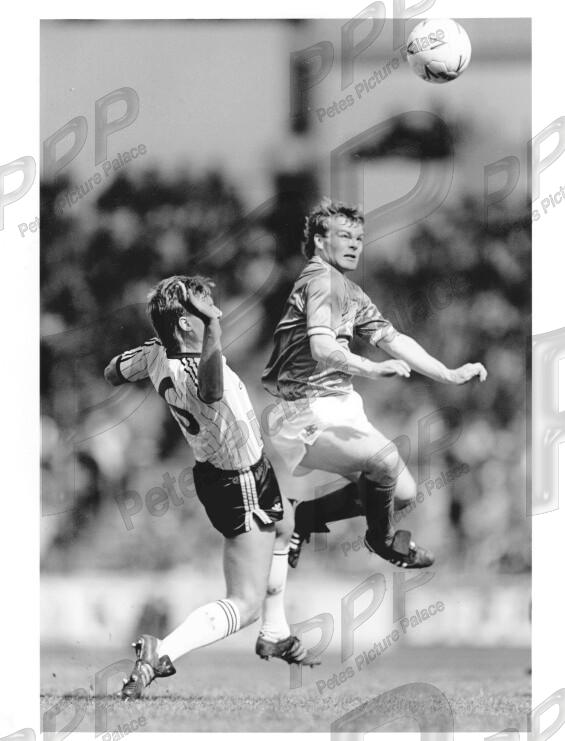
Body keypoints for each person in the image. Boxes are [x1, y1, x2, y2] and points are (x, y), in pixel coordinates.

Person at [104, 275, 316, 700]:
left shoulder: (158, 353)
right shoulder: (200, 367)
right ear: (187, 323)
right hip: (240, 479)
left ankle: (275, 633)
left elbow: (112, 372)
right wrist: (215, 331)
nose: (216, 310)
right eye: (205, 307)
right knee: (244, 603)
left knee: (287, 522)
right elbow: (212, 391)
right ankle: (162, 652)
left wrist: (147, 354)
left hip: (232, 470)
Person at [262, 198, 487, 569]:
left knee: (402, 493)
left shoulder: (349, 291)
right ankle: (381, 541)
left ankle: (307, 516)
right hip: (303, 410)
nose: (354, 244)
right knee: (384, 461)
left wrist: (447, 372)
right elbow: (322, 347)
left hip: (340, 406)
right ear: (319, 240)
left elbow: (393, 339)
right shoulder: (320, 281)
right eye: (344, 236)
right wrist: (370, 367)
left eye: (359, 238)